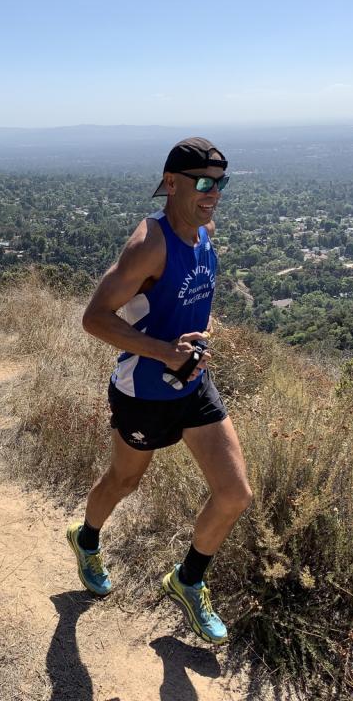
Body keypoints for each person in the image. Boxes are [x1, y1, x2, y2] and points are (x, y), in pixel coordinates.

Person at [66, 137, 252, 645]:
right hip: (143, 390)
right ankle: (86, 539)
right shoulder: (149, 241)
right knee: (124, 482)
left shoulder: (205, 232)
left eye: (221, 182)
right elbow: (95, 319)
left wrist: (194, 340)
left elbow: (186, 303)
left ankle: (188, 581)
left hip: (193, 384)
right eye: (203, 182)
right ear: (171, 182)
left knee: (234, 494)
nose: (214, 192)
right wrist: (165, 351)